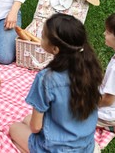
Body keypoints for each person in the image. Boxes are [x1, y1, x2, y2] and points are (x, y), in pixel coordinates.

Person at [9, 14, 103, 153]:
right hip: (85, 146)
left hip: (56, 149)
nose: (41, 36)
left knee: (14, 128)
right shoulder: (91, 68)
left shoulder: (46, 78)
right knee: (26, 119)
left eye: (43, 35)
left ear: (55, 49)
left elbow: (35, 127)